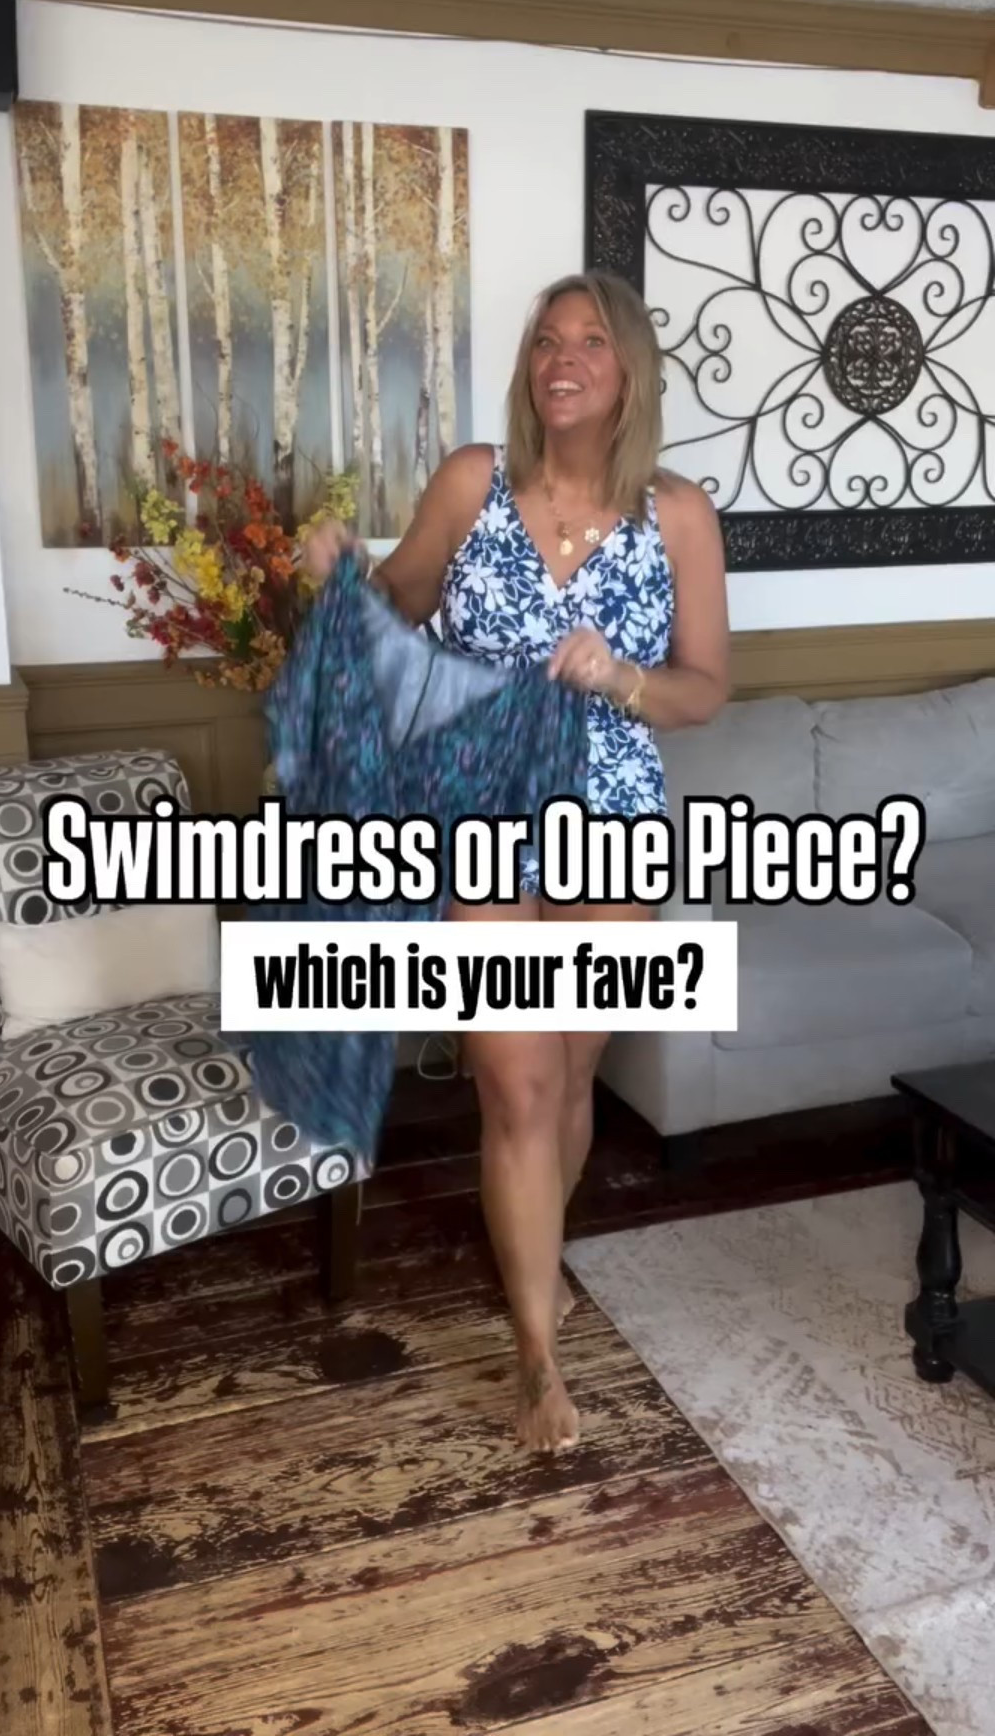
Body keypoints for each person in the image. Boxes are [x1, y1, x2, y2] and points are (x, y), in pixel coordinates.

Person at [302, 269, 731, 1453]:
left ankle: (541, 1250)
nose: (562, 358)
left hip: (611, 817)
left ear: (629, 371)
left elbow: (705, 688)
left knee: (572, 1079)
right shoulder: (471, 482)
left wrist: (625, 679)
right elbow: (394, 608)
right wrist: (343, 584)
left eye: (589, 341)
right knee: (516, 1083)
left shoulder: (680, 516)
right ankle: (537, 1354)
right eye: (547, 340)